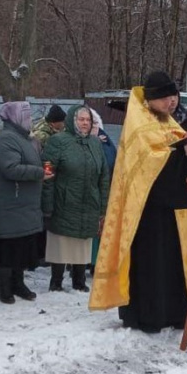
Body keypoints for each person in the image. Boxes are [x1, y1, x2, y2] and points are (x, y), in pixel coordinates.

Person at [90, 71, 187, 333]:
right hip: (147, 210)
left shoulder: (166, 121)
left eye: (173, 96)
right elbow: (146, 163)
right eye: (164, 98)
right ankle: (149, 315)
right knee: (152, 262)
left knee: (173, 261)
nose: (171, 102)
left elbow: (170, 150)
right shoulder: (139, 123)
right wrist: (178, 152)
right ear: (151, 99)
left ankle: (176, 311)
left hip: (172, 206)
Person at [42, 106, 109, 292]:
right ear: (72, 120)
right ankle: (56, 280)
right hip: (64, 201)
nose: (85, 123)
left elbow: (103, 176)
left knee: (82, 241)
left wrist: (103, 206)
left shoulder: (95, 144)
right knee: (61, 241)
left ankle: (79, 280)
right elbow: (47, 170)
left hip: (89, 201)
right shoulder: (57, 141)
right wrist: (47, 203)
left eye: (88, 120)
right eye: (81, 119)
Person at [0, 102, 49, 303]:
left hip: (22, 205)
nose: (30, 119)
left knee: (21, 246)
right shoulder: (5, 140)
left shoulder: (24, 139)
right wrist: (40, 173)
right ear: (15, 117)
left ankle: (18, 283)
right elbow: (10, 168)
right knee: (7, 247)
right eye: (27, 115)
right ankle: (4, 288)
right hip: (8, 205)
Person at [87, 110, 117, 272]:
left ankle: (96, 262)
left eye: (97, 124)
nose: (95, 127)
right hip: (89, 190)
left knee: (100, 228)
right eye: (92, 124)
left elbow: (112, 161)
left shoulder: (105, 141)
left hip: (104, 190)